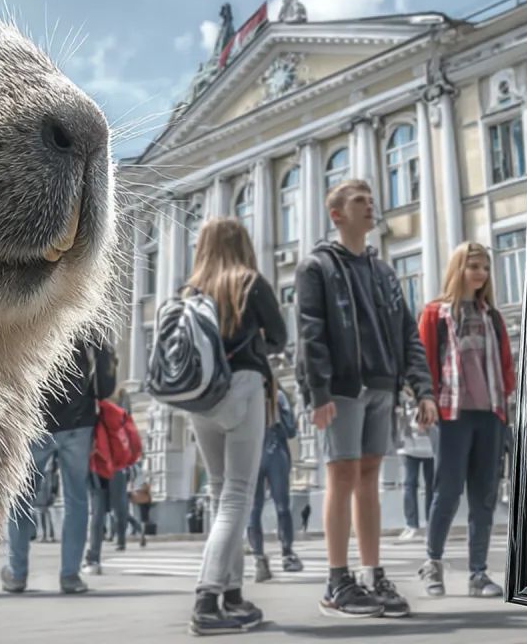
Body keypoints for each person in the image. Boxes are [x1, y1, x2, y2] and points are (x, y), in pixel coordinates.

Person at [296, 179, 436, 619]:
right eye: (360, 201)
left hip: (383, 385)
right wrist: (317, 392)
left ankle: (372, 573)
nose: (371, 206)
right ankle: (337, 582)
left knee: (369, 478)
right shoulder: (316, 267)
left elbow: (408, 333)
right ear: (336, 214)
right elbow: (311, 332)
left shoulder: (384, 272)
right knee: (342, 475)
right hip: (341, 387)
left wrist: (422, 388)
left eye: (372, 200)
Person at [184, 217, 287, 635]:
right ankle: (207, 599)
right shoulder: (250, 282)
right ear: (241, 243)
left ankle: (232, 595)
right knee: (238, 494)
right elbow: (279, 337)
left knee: (220, 490)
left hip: (199, 397)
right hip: (243, 388)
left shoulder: (191, 292)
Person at [416, 241, 516, 598]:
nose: (481, 274)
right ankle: (433, 563)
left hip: (490, 415)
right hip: (451, 414)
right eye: (474, 266)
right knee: (448, 491)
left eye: (485, 268)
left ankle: (478, 574)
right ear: (458, 268)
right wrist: (423, 401)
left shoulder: (493, 316)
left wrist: (505, 411)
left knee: (483, 496)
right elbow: (424, 361)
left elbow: (506, 366)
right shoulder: (435, 314)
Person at [2, 335, 116, 594]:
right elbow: (106, 384)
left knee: (21, 498)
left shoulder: (34, 315)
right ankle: (70, 575)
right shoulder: (87, 322)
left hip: (36, 423)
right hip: (79, 424)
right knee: (76, 500)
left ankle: (17, 573)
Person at [248, 387, 304, 582]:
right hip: (275, 449)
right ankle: (287, 555)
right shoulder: (277, 394)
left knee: (254, 509)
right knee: (282, 506)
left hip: (251, 453)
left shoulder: (244, 390)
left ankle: (259, 559)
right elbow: (290, 430)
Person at [397, 388, 436, 541]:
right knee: (408, 485)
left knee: (431, 487)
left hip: (431, 448)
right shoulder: (403, 397)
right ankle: (411, 525)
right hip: (409, 448)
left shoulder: (430, 396)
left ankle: (431, 525)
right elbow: (400, 420)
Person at [129, 463, 154, 547]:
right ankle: (141, 534)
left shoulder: (132, 467)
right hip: (144, 496)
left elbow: (131, 482)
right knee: (143, 518)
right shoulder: (144, 469)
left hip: (136, 495)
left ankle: (139, 532)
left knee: (138, 516)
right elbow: (150, 481)